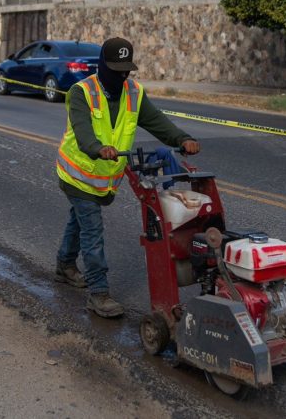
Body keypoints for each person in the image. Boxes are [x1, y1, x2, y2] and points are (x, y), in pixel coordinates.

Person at [55, 37, 200, 318]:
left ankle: (64, 265)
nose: (122, 76)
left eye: (126, 70)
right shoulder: (81, 92)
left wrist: (182, 138)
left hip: (104, 177)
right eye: (116, 70)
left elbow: (156, 121)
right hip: (77, 173)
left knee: (80, 220)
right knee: (92, 230)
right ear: (102, 66)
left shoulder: (133, 92)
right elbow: (84, 133)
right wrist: (99, 148)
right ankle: (98, 293)